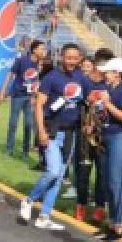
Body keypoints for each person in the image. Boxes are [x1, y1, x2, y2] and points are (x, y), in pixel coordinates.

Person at [20, 43, 88, 231]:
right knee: (52, 171)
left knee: (58, 178)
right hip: (52, 131)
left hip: (71, 133)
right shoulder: (51, 78)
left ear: (80, 58)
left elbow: (89, 97)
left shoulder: (81, 77)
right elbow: (39, 105)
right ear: (62, 57)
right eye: (68, 57)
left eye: (75, 58)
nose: (72, 61)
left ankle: (44, 216)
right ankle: (29, 199)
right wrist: (41, 131)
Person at [95, 57, 122, 242]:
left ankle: (119, 226)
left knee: (115, 183)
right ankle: (113, 223)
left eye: (108, 72)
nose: (105, 75)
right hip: (109, 137)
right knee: (108, 183)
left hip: (121, 138)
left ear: (117, 74)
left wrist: (108, 105)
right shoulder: (110, 90)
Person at [75, 50, 110, 223]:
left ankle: (99, 206)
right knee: (83, 172)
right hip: (85, 133)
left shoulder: (110, 84)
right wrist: (85, 123)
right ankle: (81, 205)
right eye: (104, 65)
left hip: (103, 134)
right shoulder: (84, 81)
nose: (107, 70)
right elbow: (77, 105)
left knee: (103, 173)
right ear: (96, 64)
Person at [0, 39, 46, 158]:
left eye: (44, 49)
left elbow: (36, 80)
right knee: (13, 123)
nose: (44, 51)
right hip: (17, 95)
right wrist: (2, 91)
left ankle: (25, 152)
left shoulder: (40, 63)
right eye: (41, 49)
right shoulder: (21, 60)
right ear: (34, 50)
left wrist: (35, 96)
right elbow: (10, 74)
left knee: (29, 124)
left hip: (30, 97)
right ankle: (9, 149)